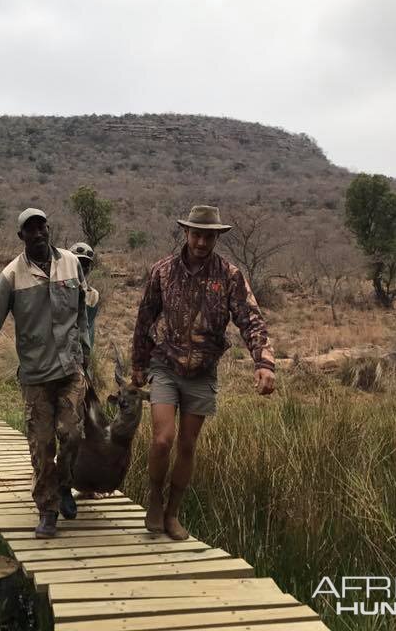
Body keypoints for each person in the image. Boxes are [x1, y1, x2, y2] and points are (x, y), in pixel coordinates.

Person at [131, 205, 275, 540]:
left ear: (216, 238)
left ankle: (172, 513)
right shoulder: (162, 271)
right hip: (165, 364)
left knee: (187, 445)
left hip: (203, 371)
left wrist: (263, 363)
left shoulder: (229, 275)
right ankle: (154, 498)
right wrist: (138, 364)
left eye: (208, 236)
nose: (201, 242)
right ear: (186, 233)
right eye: (196, 234)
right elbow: (144, 318)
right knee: (162, 439)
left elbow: (250, 319)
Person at [0, 208, 90, 539]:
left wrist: (84, 350)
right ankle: (47, 509)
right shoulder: (12, 276)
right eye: (31, 230)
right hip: (36, 375)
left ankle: (65, 486)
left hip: (71, 369)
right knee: (41, 445)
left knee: (72, 435)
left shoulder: (71, 264)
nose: (39, 233)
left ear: (48, 229)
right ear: (21, 237)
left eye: (42, 227)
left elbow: (83, 310)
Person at [70, 242, 100, 350]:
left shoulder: (93, 295)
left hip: (83, 351)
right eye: (79, 262)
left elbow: (88, 327)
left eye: (86, 264)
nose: (82, 267)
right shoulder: (58, 290)